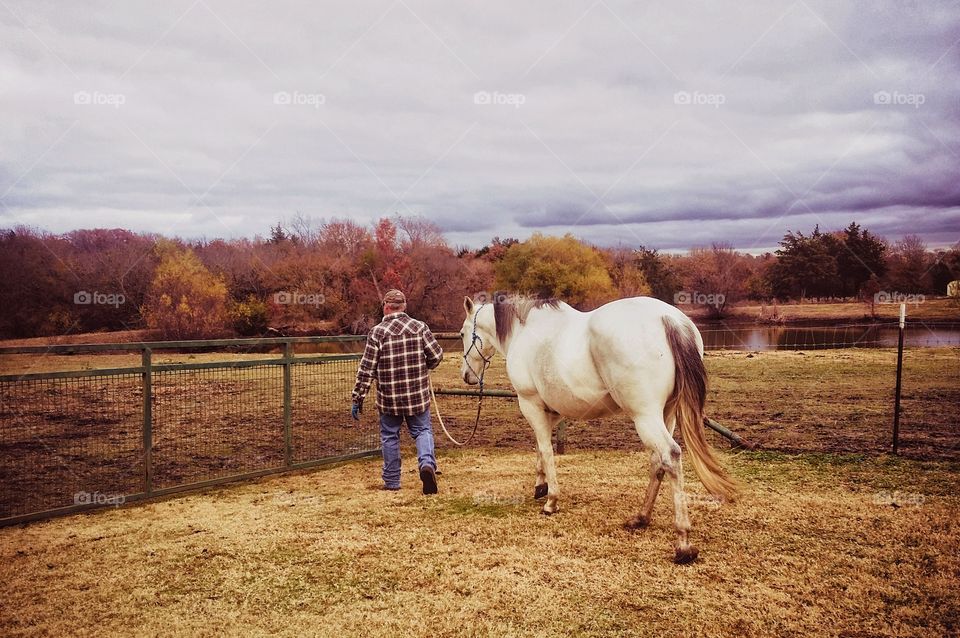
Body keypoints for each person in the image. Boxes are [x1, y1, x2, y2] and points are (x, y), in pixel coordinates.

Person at [351, 289, 444, 494]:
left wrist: (358, 397)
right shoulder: (420, 327)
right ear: (404, 307)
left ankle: (392, 481)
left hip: (389, 398)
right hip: (417, 395)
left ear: (385, 307)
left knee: (389, 435)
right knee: (422, 431)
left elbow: (367, 368)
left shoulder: (377, 332)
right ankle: (427, 464)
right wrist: (425, 366)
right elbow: (437, 355)